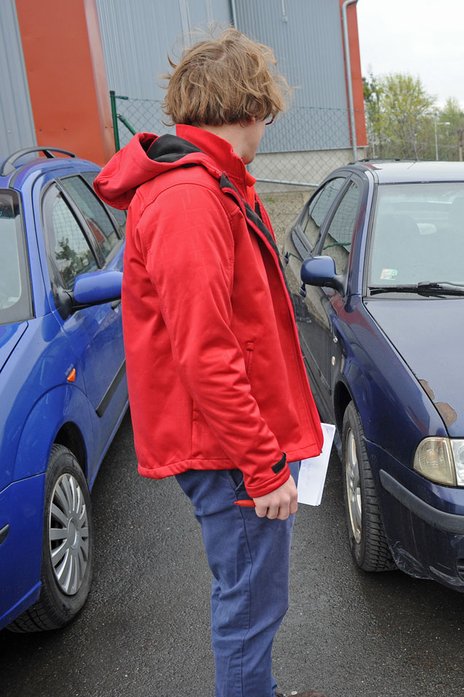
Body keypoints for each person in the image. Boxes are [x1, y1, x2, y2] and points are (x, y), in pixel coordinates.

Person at [94, 28, 325, 697]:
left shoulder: (209, 184)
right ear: (253, 109)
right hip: (226, 452)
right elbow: (206, 350)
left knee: (252, 600)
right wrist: (262, 465)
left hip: (226, 442)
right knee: (250, 608)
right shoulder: (191, 198)